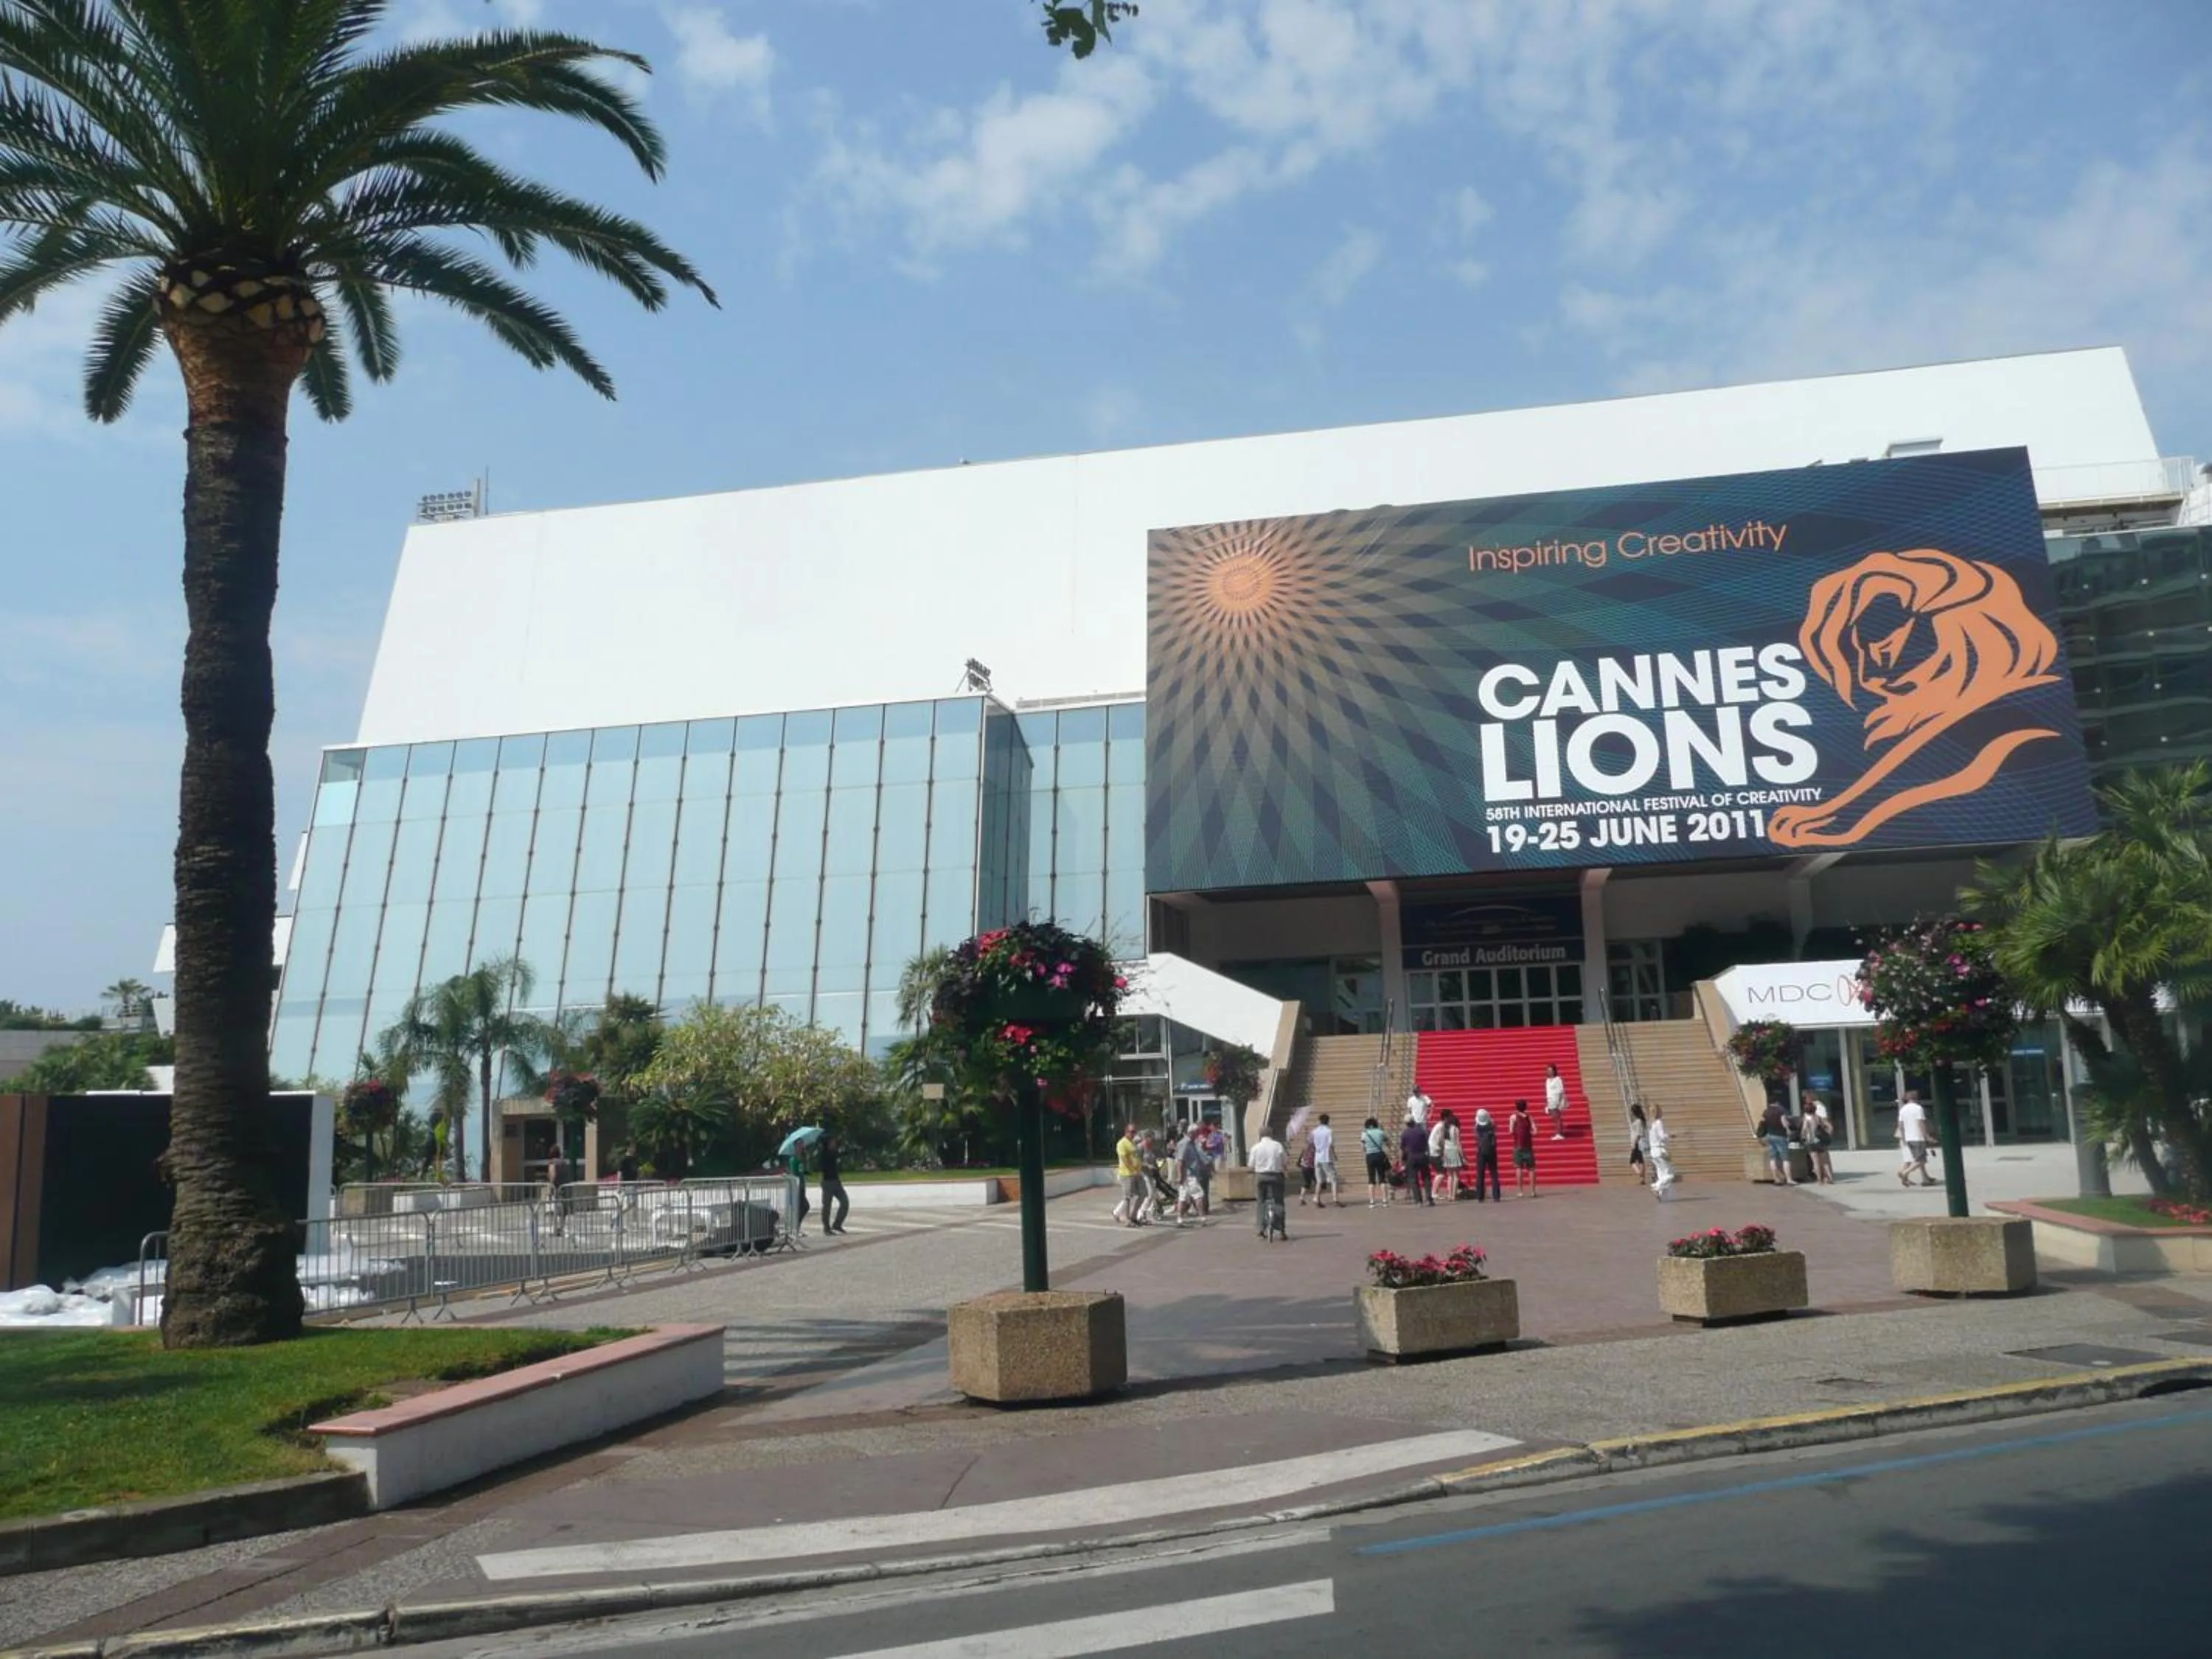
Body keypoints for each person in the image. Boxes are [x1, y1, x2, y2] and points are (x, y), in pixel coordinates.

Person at [1251, 1122, 1288, 1239]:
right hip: (1275, 1175)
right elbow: (1285, 1161)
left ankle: (1261, 1228)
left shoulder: (1256, 1147)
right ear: (1272, 1134)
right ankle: (1281, 1229)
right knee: (1279, 1201)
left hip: (1261, 1175)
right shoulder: (1278, 1146)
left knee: (1261, 1201)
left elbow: (1251, 1164)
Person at [1896, 1091, 1933, 1187]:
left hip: (1908, 1138)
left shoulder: (1903, 1110)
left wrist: (1904, 1138)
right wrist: (1927, 1136)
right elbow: (1921, 1123)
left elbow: (1901, 1125)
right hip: (1917, 1137)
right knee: (1921, 1160)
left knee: (1915, 1159)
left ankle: (1925, 1178)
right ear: (1915, 1098)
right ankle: (1905, 1173)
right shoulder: (1918, 1108)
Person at [1113, 1124, 1147, 1225]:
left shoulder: (1132, 1143)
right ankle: (1127, 1219)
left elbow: (1136, 1157)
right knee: (1127, 1197)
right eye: (1131, 1132)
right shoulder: (1122, 1143)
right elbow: (1125, 1159)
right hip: (1127, 1174)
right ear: (1126, 1132)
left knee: (1143, 1193)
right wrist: (1133, 1170)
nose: (1133, 1134)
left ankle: (1134, 1215)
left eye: (1134, 1132)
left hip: (1137, 1173)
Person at [1176, 1124, 1211, 1225]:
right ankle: (1202, 1217)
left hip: (1191, 1174)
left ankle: (1180, 1218)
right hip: (1188, 1174)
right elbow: (1180, 1161)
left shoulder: (1192, 1143)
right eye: (1197, 1133)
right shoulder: (1185, 1144)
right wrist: (1180, 1175)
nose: (1198, 1135)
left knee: (1183, 1197)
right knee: (1198, 1195)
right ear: (1192, 1133)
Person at [818, 1130, 849, 1235]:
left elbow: (840, 1153)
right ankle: (826, 1228)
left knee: (845, 1202)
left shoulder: (833, 1152)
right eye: (832, 1142)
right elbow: (827, 1163)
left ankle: (837, 1224)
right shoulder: (824, 1154)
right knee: (827, 1206)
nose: (834, 1143)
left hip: (836, 1181)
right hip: (827, 1182)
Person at [1759, 1098, 1795, 1186]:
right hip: (1781, 1136)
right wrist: (1788, 1129)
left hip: (1770, 1136)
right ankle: (1789, 1179)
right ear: (1777, 1102)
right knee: (1785, 1158)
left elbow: (1763, 1123)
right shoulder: (1780, 1110)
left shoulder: (1766, 1112)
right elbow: (1784, 1123)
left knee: (1773, 1158)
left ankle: (1777, 1179)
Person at [1399, 1114, 1433, 1206]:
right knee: (1426, 1178)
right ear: (1414, 1121)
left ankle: (1418, 1200)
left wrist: (1403, 1160)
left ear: (1406, 1123)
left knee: (1413, 1179)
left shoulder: (1405, 1133)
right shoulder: (1422, 1131)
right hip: (1422, 1155)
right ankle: (1429, 1199)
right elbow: (1427, 1144)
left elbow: (1403, 1147)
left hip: (1412, 1157)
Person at [1471, 1107, 1502, 1203]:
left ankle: (1480, 1196)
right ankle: (1496, 1196)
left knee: (1480, 1174)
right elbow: (1495, 1129)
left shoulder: (1478, 1127)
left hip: (1481, 1151)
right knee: (1494, 1173)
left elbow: (1475, 1135)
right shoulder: (1492, 1125)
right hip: (1491, 1151)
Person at [1361, 1116, 1392, 1207]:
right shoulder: (1380, 1132)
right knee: (1382, 1178)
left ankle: (1372, 1202)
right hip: (1380, 1155)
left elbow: (1363, 1147)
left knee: (1371, 1179)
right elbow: (1389, 1143)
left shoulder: (1365, 1134)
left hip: (1370, 1156)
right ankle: (1385, 1201)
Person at [1509, 1099, 1537, 1197]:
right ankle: (1533, 1191)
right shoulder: (1529, 1116)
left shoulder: (1513, 1117)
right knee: (1531, 1168)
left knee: (1519, 1168)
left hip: (1518, 1145)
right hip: (1528, 1145)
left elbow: (1511, 1131)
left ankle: (1520, 1191)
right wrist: (1530, 1133)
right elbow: (1535, 1130)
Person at [1804, 1097, 1836, 1184]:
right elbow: (1829, 1126)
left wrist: (1804, 1137)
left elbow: (1804, 1130)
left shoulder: (1806, 1119)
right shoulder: (1818, 1118)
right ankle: (1830, 1177)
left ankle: (1819, 1180)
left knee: (1816, 1162)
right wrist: (1828, 1134)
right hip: (1820, 1142)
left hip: (1811, 1142)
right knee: (1825, 1161)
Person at [1649, 1104, 1678, 1199]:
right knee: (1670, 1174)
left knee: (1661, 1174)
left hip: (1653, 1151)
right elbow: (1662, 1136)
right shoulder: (1659, 1122)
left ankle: (1662, 1195)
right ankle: (1656, 1186)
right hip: (1660, 1150)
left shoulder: (1652, 1125)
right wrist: (1670, 1135)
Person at [1310, 1113, 1339, 1207]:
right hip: (1326, 1157)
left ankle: (1317, 1198)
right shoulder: (1329, 1131)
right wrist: (1334, 1156)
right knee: (1333, 1179)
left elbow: (1312, 1143)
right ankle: (1335, 1199)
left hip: (1317, 1157)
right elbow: (1330, 1145)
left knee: (1320, 1180)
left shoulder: (1314, 1131)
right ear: (1328, 1121)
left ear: (1319, 1121)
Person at [1432, 1111, 1461, 1199]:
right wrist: (1462, 1156)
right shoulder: (1455, 1129)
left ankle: (1449, 1194)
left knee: (1449, 1174)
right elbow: (1458, 1143)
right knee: (1456, 1175)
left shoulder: (1444, 1129)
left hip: (1446, 1152)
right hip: (1454, 1151)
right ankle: (1453, 1195)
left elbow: (1442, 1141)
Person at [1544, 1063, 1568, 1140]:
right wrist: (1547, 1103)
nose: (1550, 1072)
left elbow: (1561, 1091)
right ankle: (1558, 1132)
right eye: (1548, 1071)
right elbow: (1548, 1092)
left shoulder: (1558, 1080)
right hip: (1550, 1100)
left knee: (1557, 1118)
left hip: (1556, 1100)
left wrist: (1560, 1102)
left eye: (1551, 1071)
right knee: (1555, 1118)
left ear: (1554, 1071)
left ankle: (1560, 1134)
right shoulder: (1547, 1080)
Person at [1628, 1104, 1650, 1186]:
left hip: (1637, 1142)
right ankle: (1643, 1179)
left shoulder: (1638, 1122)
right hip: (1640, 1142)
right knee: (1641, 1160)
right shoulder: (1642, 1121)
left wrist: (1634, 1143)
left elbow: (1639, 1134)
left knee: (1632, 1161)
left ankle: (1640, 1173)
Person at [1297, 1130, 1318, 1205]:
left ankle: (1302, 1198)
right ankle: (1316, 1197)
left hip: (1304, 1167)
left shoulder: (1305, 1147)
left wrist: (1299, 1162)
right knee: (1318, 1182)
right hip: (1312, 1167)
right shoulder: (1315, 1147)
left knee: (1306, 1183)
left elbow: (1301, 1156)